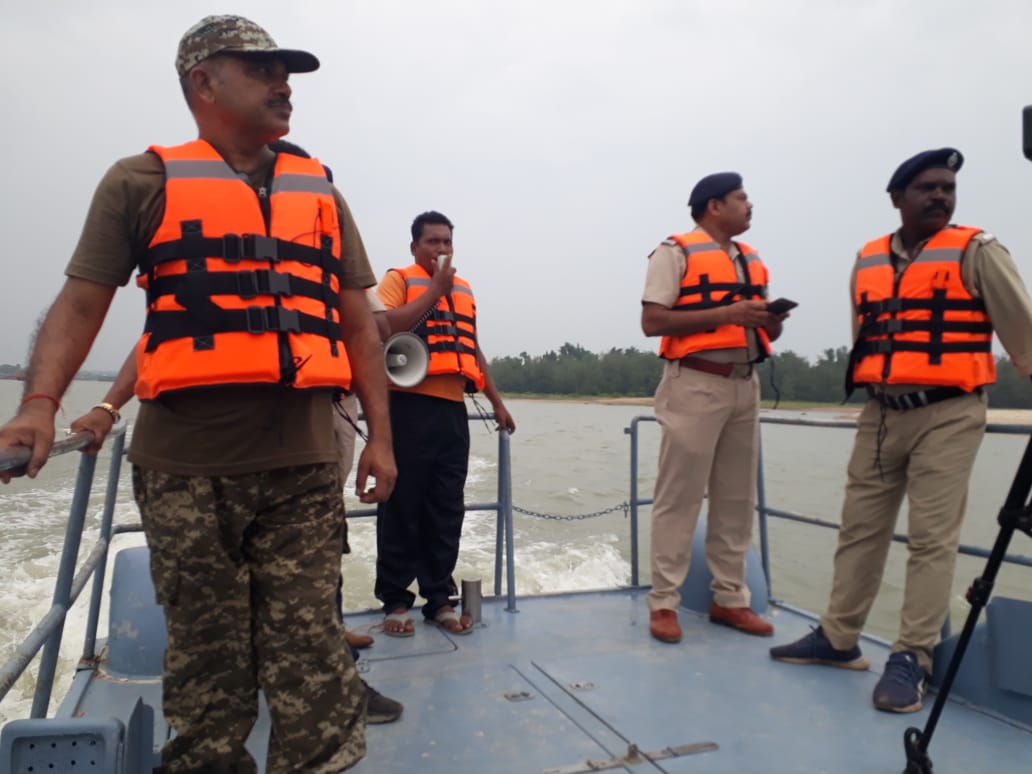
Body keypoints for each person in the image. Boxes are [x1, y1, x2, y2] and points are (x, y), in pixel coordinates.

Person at [0, 15, 398, 773]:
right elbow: (82, 304)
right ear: (203, 83)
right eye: (263, 70)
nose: (284, 85)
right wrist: (39, 405)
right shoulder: (138, 182)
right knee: (207, 670)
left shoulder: (321, 192)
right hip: (186, 474)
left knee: (310, 657)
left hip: (304, 467)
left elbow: (356, 324)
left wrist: (380, 436)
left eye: (288, 73)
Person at [770, 148, 1032, 714]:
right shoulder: (867, 258)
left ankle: (911, 656)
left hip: (950, 410)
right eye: (927, 188)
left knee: (931, 539)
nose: (941, 196)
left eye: (948, 188)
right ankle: (839, 639)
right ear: (897, 198)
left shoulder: (978, 251)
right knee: (858, 528)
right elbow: (867, 336)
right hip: (881, 413)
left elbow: (1025, 337)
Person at [640, 172, 787, 645]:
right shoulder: (675, 252)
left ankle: (730, 598)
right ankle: (664, 603)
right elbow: (652, 320)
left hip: (746, 384)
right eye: (742, 198)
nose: (750, 205)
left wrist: (770, 321)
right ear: (713, 206)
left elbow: (763, 331)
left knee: (737, 499)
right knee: (679, 499)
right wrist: (726, 315)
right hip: (696, 382)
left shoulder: (751, 260)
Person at [374, 211, 515, 637]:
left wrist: (496, 401)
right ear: (415, 246)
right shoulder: (398, 280)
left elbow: (471, 348)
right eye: (433, 242)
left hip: (453, 413)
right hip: (408, 407)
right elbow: (380, 327)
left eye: (447, 242)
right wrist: (433, 292)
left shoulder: (464, 289)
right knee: (402, 505)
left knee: (446, 507)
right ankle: (396, 600)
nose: (441, 250)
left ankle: (439, 597)